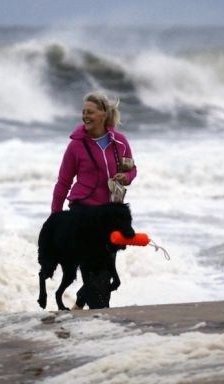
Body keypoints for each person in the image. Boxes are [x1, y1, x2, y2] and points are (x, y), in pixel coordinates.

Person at [51, 92, 137, 309]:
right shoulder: (76, 147)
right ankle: (100, 318)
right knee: (95, 269)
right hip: (84, 213)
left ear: (103, 114)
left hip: (110, 215)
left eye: (90, 112)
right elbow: (63, 182)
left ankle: (80, 307)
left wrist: (125, 177)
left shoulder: (120, 142)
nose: (85, 116)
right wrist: (55, 215)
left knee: (106, 271)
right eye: (83, 112)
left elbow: (132, 170)